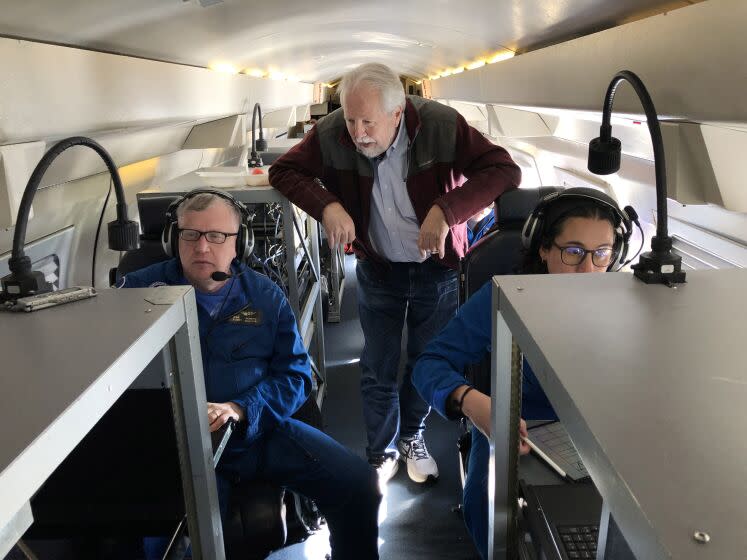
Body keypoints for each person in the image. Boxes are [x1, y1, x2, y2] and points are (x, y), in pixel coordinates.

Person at [269, 62, 521, 484]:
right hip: (378, 267)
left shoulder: (442, 125)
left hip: (436, 268)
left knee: (426, 362)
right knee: (378, 365)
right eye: (351, 119)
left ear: (398, 113)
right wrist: (327, 204)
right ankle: (379, 453)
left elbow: (504, 170)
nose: (358, 132)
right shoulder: (333, 132)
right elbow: (285, 170)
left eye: (369, 121)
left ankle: (412, 437)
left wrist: (447, 209)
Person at [119, 189, 380, 560]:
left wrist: (240, 409)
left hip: (259, 433)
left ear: (239, 243)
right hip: (181, 447)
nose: (202, 247)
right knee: (181, 543)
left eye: (216, 236)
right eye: (190, 234)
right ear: (171, 239)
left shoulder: (264, 296)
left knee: (359, 485)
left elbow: (295, 375)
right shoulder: (136, 293)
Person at [412, 187, 635, 559]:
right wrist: (470, 401)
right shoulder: (505, 296)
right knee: (485, 508)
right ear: (544, 249)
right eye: (574, 252)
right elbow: (429, 364)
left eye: (602, 254)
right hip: (512, 423)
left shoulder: (632, 302)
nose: (588, 270)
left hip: (601, 431)